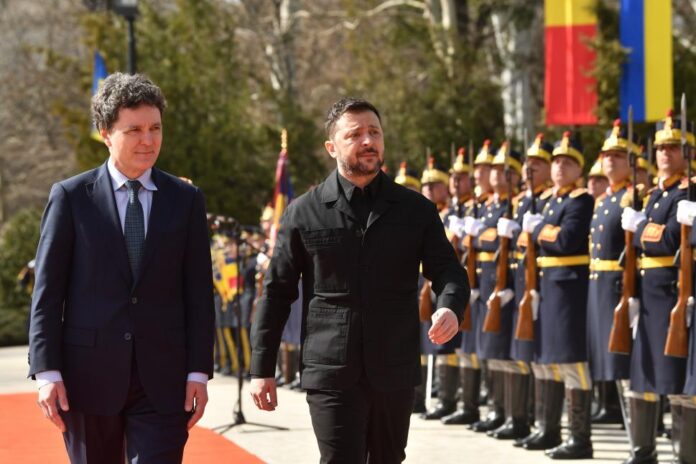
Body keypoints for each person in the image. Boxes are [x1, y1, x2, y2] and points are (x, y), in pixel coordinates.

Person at [249, 97, 469, 463]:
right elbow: (276, 294)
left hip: (394, 368)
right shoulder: (304, 212)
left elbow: (449, 272)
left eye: (374, 133)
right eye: (355, 135)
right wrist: (262, 368)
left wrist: (449, 307)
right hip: (331, 371)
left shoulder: (415, 210)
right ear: (331, 147)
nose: (368, 141)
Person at [28, 73, 215, 463]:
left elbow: (198, 292)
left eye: (155, 128)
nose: (148, 140)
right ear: (105, 133)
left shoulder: (186, 199)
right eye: (134, 130)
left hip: (163, 381)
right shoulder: (70, 198)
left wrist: (198, 371)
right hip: (86, 380)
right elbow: (48, 293)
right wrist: (47, 372)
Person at [621, 111, 690, 463]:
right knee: (644, 372)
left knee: (675, 376)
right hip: (647, 291)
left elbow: (672, 240)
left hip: (670, 289)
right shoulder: (652, 195)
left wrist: (641, 230)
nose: (665, 153)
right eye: (661, 148)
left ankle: (685, 454)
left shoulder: (686, 192)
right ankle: (643, 450)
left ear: (687, 153)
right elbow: (656, 238)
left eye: (673, 147)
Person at [522, 131, 595, 459]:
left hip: (569, 288)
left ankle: (579, 438)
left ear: (579, 170)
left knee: (572, 362)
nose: (560, 167)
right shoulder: (551, 201)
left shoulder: (580, 199)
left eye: (568, 162)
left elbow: (566, 240)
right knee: (549, 360)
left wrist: (537, 229)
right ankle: (548, 429)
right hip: (549, 285)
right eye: (557, 162)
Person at [499, 133, 553, 444]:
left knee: (542, 357)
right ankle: (521, 419)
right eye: (527, 164)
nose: (529, 169)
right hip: (521, 282)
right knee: (524, 354)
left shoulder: (548, 200)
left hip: (543, 285)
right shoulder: (523, 202)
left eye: (537, 164)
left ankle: (538, 422)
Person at [586, 120, 636, 427]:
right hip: (599, 284)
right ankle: (613, 408)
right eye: (606, 155)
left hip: (618, 285)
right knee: (606, 356)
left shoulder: (634, 195)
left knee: (623, 359)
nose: (610, 160)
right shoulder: (604, 200)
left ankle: (640, 427)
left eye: (617, 155)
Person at [419, 156, 462, 420]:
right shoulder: (423, 214)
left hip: (447, 281)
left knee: (447, 344)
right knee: (426, 341)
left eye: (435, 185)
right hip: (423, 280)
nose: (429, 189)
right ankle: (421, 396)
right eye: (426, 185)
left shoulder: (452, 214)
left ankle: (448, 399)